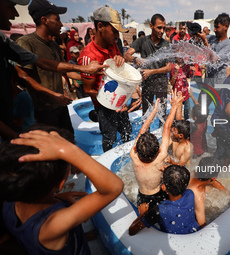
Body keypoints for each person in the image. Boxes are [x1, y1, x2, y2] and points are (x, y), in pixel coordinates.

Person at [0, 126, 124, 254]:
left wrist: (58, 198)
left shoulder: (11, 199)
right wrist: (68, 151)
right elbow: (113, 187)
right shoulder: (51, 227)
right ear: (60, 184)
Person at [0, 0, 107, 142]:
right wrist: (54, 94)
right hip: (42, 111)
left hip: (60, 106)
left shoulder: (54, 45)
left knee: (69, 141)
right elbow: (24, 77)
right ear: (44, 20)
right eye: (57, 19)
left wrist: (88, 76)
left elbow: (64, 69)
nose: (61, 24)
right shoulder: (27, 43)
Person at [79, 6, 133, 152]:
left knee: (127, 132)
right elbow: (88, 89)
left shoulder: (113, 45)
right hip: (104, 106)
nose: (117, 36)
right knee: (110, 139)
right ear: (100, 26)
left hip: (119, 101)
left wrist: (120, 60)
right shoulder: (88, 56)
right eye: (114, 31)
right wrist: (112, 102)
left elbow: (118, 71)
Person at [130, 93, 183, 209]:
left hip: (142, 196)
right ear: (158, 150)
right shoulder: (160, 157)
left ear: (136, 148)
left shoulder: (133, 155)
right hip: (158, 196)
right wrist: (174, 106)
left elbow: (141, 132)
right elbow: (167, 128)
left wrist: (153, 111)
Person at [125, 14, 171, 127]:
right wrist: (135, 59)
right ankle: (146, 139)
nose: (162, 31)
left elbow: (169, 67)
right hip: (147, 84)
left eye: (164, 28)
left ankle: (162, 139)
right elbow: (126, 55)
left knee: (162, 114)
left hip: (161, 84)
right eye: (159, 27)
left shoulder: (167, 44)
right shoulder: (142, 41)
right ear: (151, 26)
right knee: (146, 114)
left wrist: (151, 71)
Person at [129, 165, 200, 235]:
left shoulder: (159, 211)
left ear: (163, 187)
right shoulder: (190, 194)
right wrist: (172, 174)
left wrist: (142, 214)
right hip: (193, 233)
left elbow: (132, 231)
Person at [200, 13, 230, 110]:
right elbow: (199, 38)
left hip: (218, 87)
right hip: (207, 84)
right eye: (214, 27)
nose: (214, 30)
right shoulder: (212, 38)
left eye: (217, 27)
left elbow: (215, 59)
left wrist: (206, 42)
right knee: (200, 111)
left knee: (219, 115)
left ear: (226, 26)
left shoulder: (229, 45)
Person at [188, 157, 228, 226]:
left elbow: (213, 182)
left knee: (210, 189)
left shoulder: (194, 172)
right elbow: (202, 224)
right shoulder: (198, 197)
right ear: (214, 178)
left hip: (195, 189)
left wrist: (227, 192)